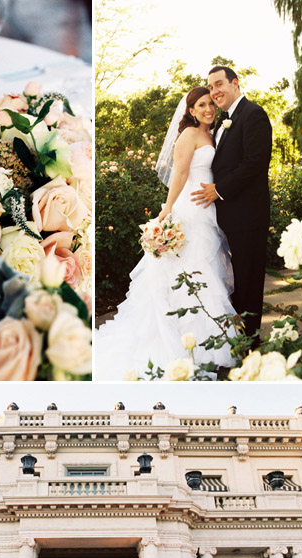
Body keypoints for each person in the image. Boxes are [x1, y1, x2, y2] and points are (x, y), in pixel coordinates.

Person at [95, 86, 236, 381]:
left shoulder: (215, 133)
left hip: (208, 208)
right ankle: (188, 345)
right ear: (191, 110)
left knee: (207, 270)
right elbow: (180, 173)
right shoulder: (189, 135)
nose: (209, 109)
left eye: (211, 103)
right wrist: (167, 210)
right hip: (189, 210)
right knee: (191, 272)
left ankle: (207, 342)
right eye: (201, 105)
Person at [191, 66, 272, 346]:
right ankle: (238, 337)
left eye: (219, 85)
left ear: (235, 83)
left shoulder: (253, 115)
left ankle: (250, 341)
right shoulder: (224, 121)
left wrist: (219, 190)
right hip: (229, 217)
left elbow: (255, 164)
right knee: (236, 280)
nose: (214, 92)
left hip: (249, 216)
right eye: (211, 87)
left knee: (249, 280)